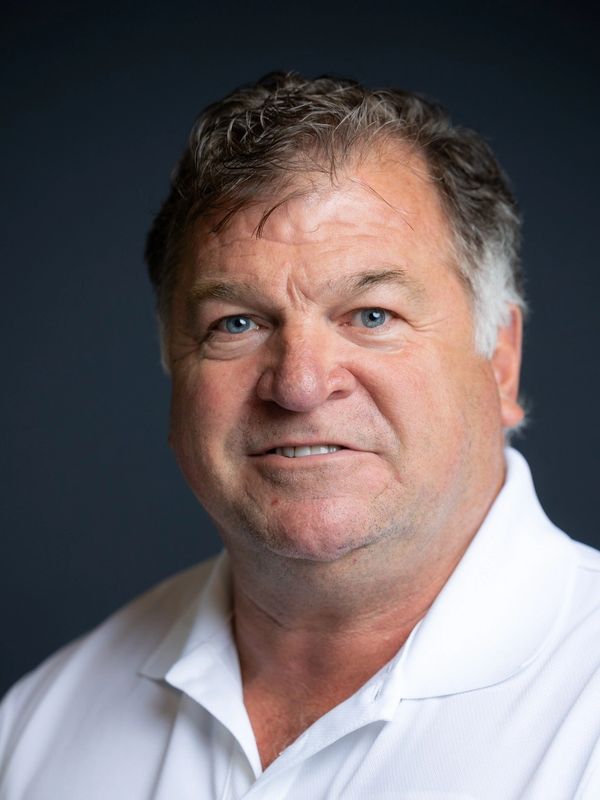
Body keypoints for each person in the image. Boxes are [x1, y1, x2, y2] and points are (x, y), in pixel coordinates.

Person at [1, 72, 599, 799]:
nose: (300, 384)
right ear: (174, 372)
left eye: (371, 315)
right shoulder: (32, 735)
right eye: (237, 324)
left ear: (499, 360)